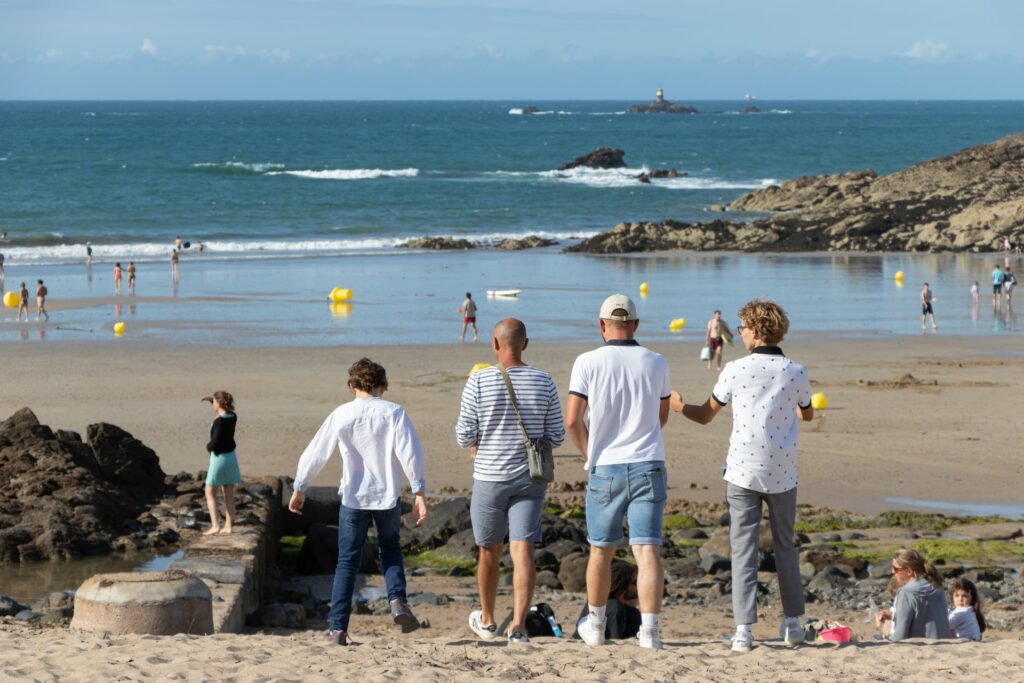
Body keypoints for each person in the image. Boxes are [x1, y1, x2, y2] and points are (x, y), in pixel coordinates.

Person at [672, 298, 812, 652]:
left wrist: (677, 406)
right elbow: (807, 414)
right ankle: (793, 623)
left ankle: (743, 631)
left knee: (743, 549)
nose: (741, 334)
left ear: (756, 331)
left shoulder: (734, 369)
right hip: (782, 471)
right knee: (785, 547)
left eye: (744, 328)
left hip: (743, 471)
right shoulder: (796, 370)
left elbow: (705, 415)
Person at [289, 358, 428, 646]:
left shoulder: (342, 414)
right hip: (387, 496)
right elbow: (410, 453)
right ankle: (398, 601)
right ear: (382, 386)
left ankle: (338, 629)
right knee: (390, 549)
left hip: (354, 496)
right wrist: (419, 492)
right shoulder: (394, 413)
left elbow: (317, 451)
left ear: (352, 386)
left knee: (346, 562)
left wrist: (300, 486)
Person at [567, 294, 671, 651]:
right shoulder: (656, 361)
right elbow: (661, 417)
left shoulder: (587, 361)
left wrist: (590, 455)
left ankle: (595, 626)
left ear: (601, 325)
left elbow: (572, 420)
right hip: (648, 463)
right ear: (636, 325)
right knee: (647, 552)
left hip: (606, 466)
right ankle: (651, 631)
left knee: (601, 550)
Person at [455, 318, 565, 644]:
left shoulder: (478, 381)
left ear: (494, 344)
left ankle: (488, 621)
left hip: (489, 477)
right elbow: (557, 435)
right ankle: (518, 627)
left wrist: (481, 438)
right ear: (525, 344)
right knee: (524, 552)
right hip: (530, 478)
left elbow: (463, 435)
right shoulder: (544, 381)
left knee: (488, 551)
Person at [875, 549, 951, 641]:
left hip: (922, 649)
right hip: (945, 645)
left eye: (895, 569)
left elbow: (900, 637)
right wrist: (894, 615)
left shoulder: (905, 593)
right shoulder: (937, 586)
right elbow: (925, 617)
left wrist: (884, 635)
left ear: (909, 571)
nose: (892, 572)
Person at [201, 391, 242, 535]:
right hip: (231, 457)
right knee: (228, 493)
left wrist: (208, 447)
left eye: (214, 401)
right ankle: (229, 526)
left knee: (210, 492)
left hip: (219, 458)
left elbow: (216, 441)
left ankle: (215, 526)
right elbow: (224, 410)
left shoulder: (219, 421)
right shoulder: (233, 417)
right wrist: (211, 400)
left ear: (219, 403)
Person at [574, 560, 641, 641]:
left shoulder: (595, 604)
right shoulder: (616, 609)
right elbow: (615, 640)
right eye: (634, 583)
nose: (639, 586)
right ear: (622, 585)